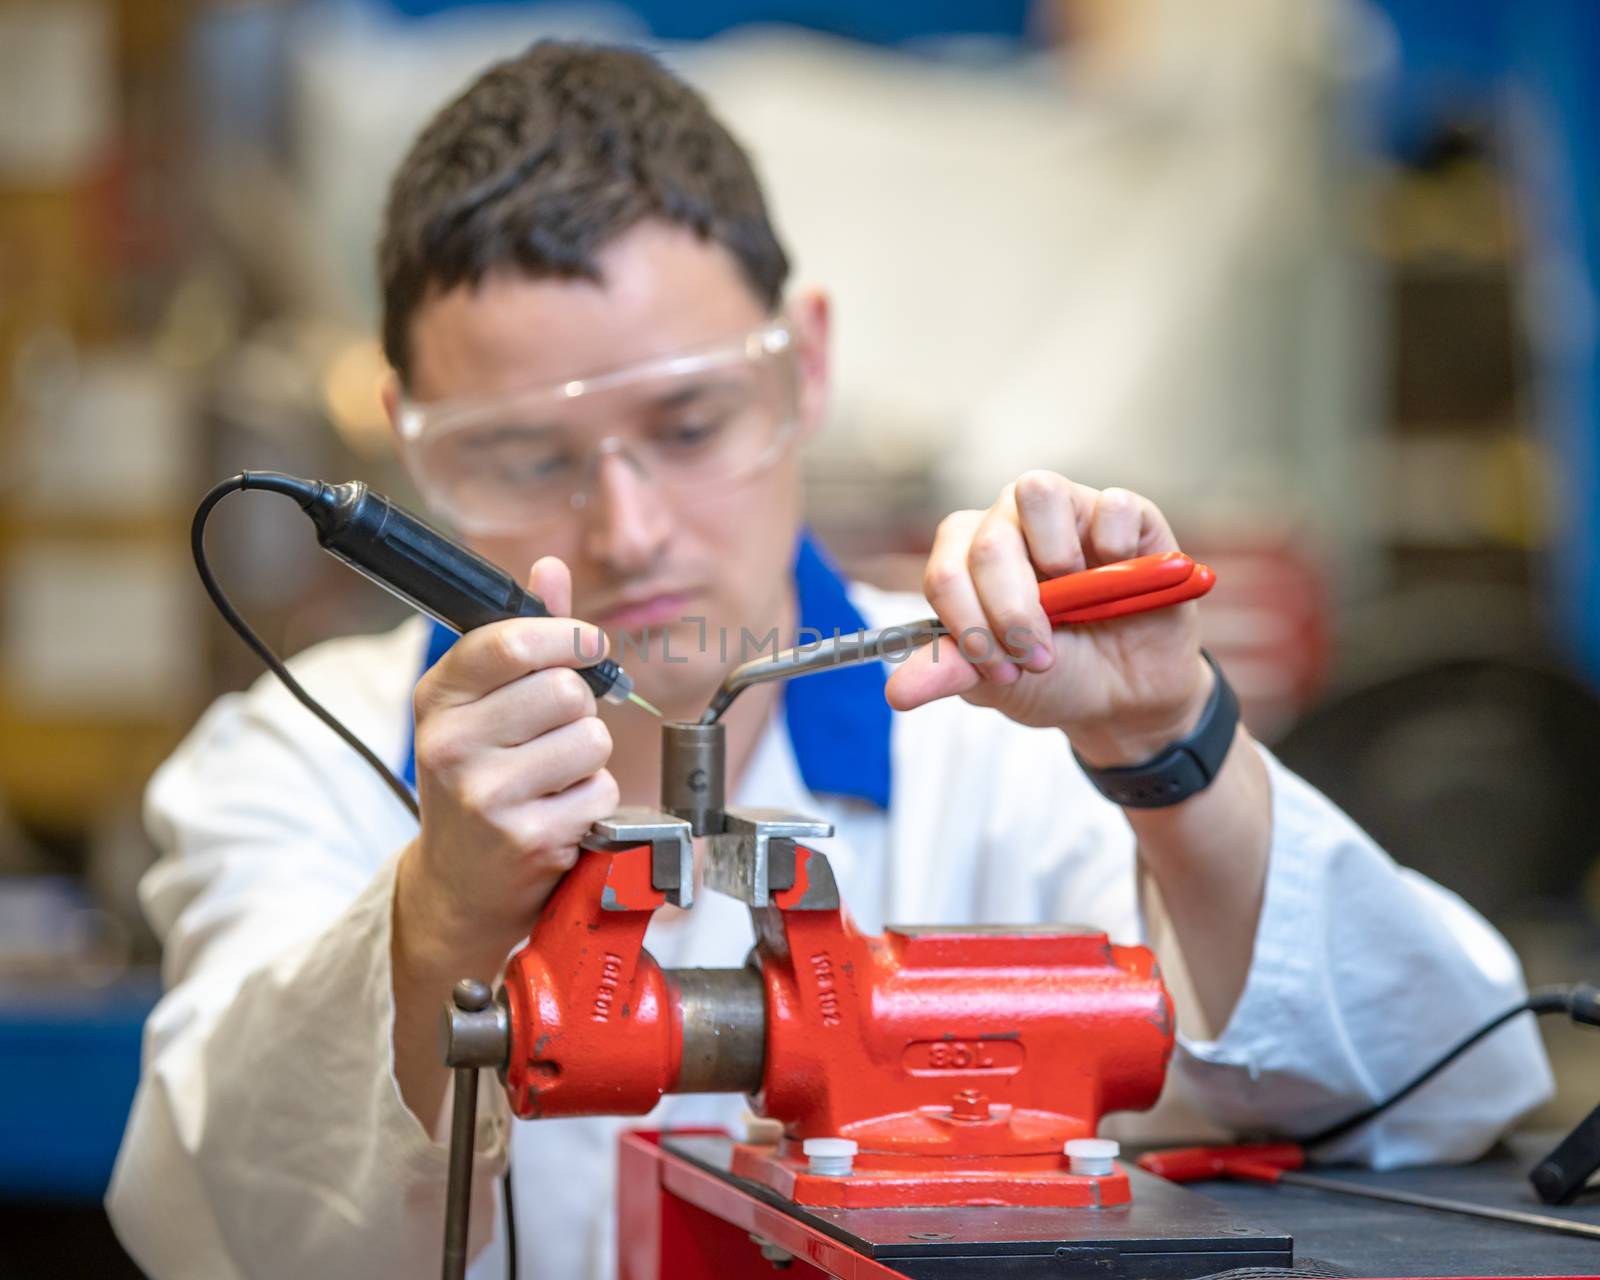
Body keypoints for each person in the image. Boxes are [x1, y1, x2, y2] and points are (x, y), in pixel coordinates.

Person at [108, 41, 1551, 1280]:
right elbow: (225, 1224)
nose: (629, 530)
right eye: (524, 454)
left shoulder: (984, 739)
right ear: (403, 436)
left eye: (688, 427)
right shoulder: (289, 767)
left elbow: (1446, 1082)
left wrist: (1175, 751)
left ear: (802, 365)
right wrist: (437, 922)